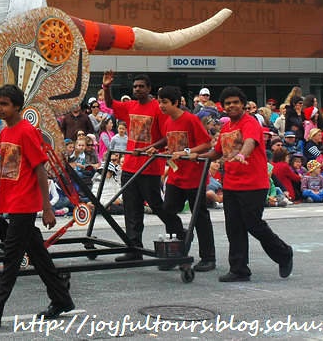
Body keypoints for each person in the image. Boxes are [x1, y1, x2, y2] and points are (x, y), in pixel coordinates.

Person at [0, 84, 73, 329]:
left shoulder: (26, 131)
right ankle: (61, 299)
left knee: (11, 260)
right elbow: (5, 170)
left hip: (24, 205)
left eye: (4, 104)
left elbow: (40, 169)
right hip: (12, 202)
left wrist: (47, 207)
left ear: (17, 106)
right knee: (38, 255)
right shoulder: (5, 132)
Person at [197, 86, 293, 283]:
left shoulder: (250, 122)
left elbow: (250, 141)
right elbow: (216, 152)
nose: (232, 106)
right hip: (231, 185)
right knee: (234, 227)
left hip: (253, 185)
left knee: (253, 224)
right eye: (228, 103)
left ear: (243, 104)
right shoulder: (226, 128)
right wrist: (194, 156)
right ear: (223, 107)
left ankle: (284, 253)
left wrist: (242, 154)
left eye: (236, 102)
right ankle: (239, 269)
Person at [102, 71, 174, 262]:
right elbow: (110, 104)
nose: (138, 89)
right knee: (131, 210)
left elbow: (168, 136)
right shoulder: (130, 106)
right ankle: (134, 248)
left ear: (149, 88)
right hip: (130, 166)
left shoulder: (158, 108)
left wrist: (151, 147)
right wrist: (107, 87)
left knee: (156, 205)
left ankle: (178, 230)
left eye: (141, 86)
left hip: (150, 167)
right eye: (135, 87)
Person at [155, 86, 215, 272]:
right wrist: (158, 148)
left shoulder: (190, 119)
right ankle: (177, 249)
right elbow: (170, 142)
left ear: (175, 102)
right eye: (159, 102)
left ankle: (208, 257)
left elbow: (206, 144)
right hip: (176, 176)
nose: (161, 106)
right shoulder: (167, 122)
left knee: (199, 216)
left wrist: (186, 152)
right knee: (167, 210)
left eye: (165, 102)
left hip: (194, 176)